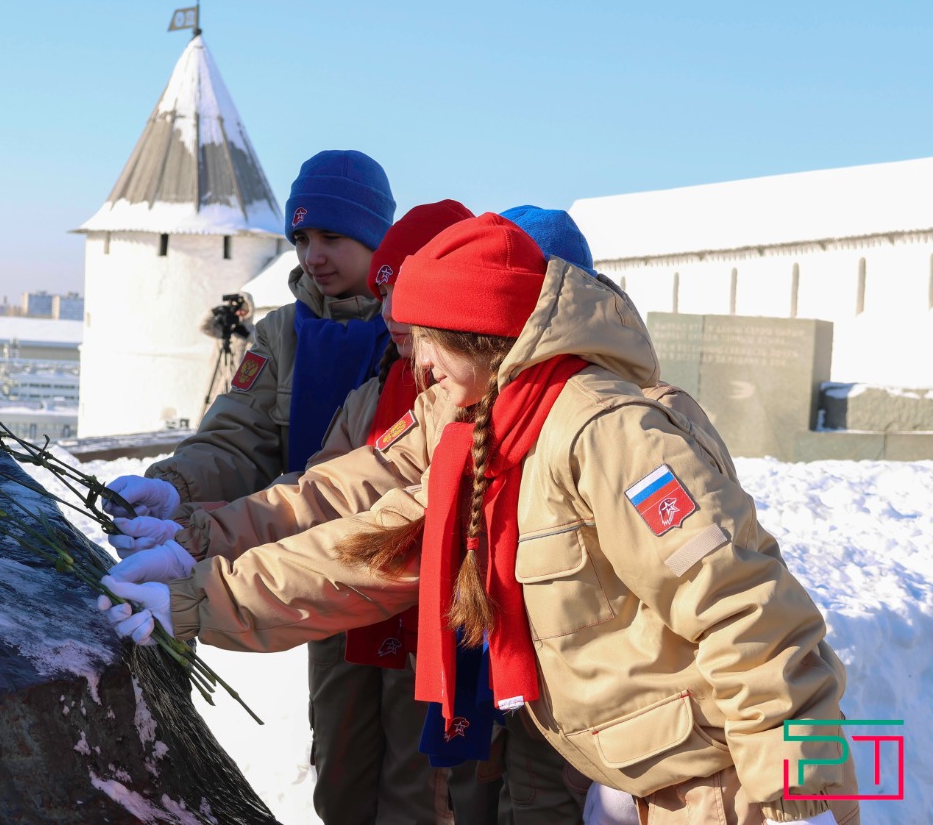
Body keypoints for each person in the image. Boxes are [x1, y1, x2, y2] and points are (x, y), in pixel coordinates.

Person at [102, 213, 859, 825]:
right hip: (638, 782)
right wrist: (201, 586)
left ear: (476, 334)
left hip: (725, 794)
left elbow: (752, 607)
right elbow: (366, 548)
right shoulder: (489, 439)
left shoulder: (606, 432)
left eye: (426, 339)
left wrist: (808, 797)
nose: (417, 365)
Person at [106, 152, 468, 825]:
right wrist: (175, 489)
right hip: (315, 572)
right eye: (302, 239)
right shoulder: (286, 333)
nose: (315, 255)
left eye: (332, 237)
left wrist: (202, 577)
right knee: (341, 772)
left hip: (422, 596)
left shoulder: (420, 340)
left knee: (421, 785)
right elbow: (247, 444)